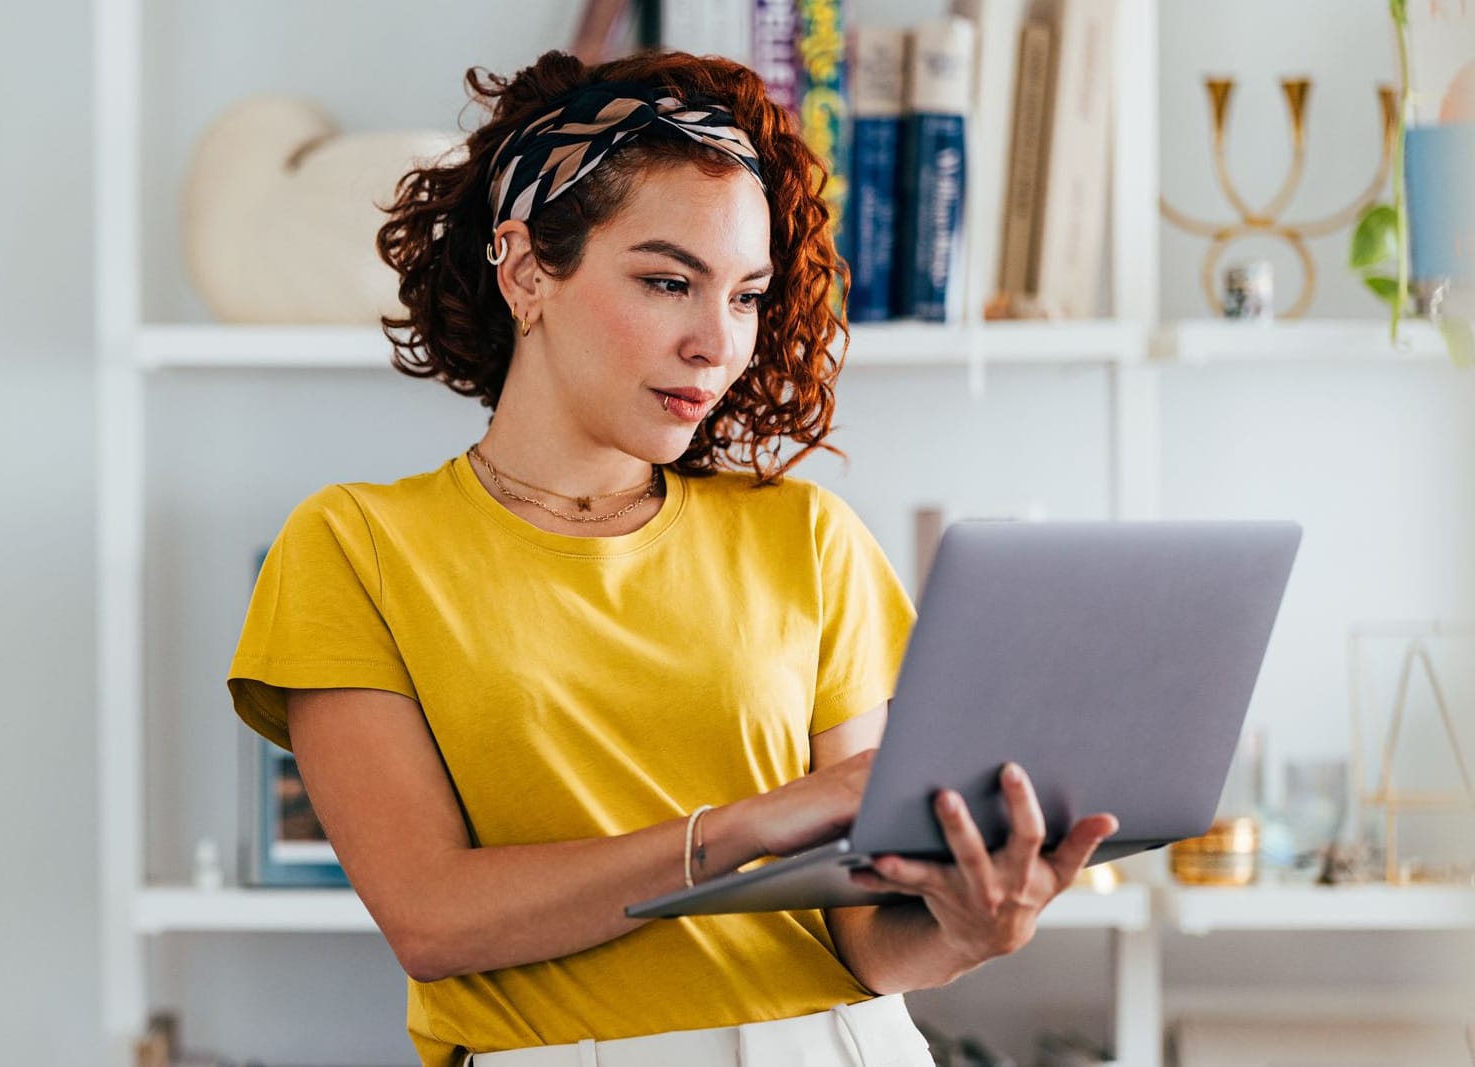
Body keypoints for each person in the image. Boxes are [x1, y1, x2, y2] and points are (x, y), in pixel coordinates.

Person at [228, 48, 1117, 1067]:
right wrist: (740, 828)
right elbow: (432, 917)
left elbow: (864, 937)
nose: (715, 342)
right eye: (667, 281)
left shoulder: (806, 537)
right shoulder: (356, 546)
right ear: (523, 270)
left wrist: (969, 928)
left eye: (745, 295)